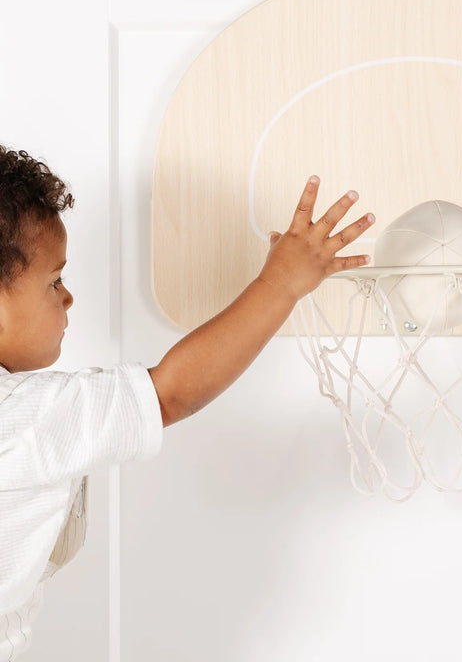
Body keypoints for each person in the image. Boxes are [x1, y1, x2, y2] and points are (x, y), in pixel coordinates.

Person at [0, 145, 373, 659]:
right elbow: (170, 392)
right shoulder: (24, 419)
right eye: (55, 280)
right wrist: (281, 283)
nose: (68, 298)